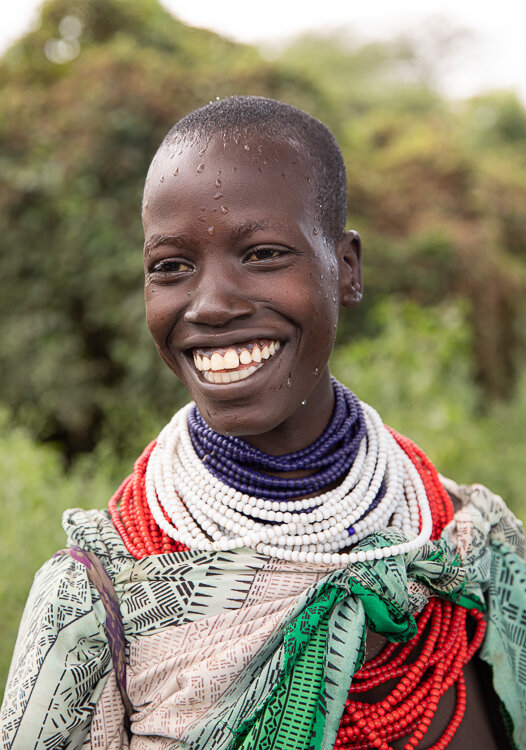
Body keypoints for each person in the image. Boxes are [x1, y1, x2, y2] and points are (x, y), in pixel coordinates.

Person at [1, 96, 525, 750]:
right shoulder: (99, 600)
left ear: (348, 269)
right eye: (172, 266)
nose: (212, 304)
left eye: (264, 254)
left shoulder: (469, 550)